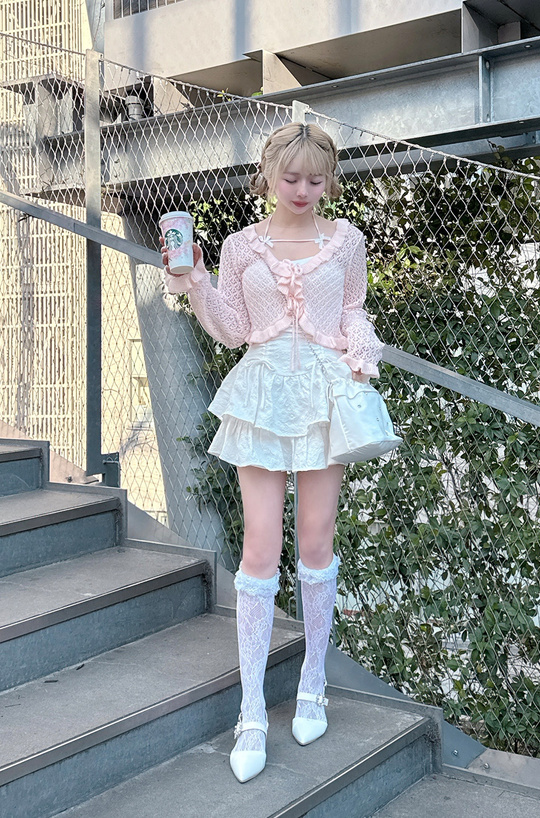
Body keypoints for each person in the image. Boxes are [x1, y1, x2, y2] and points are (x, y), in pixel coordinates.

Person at [160, 121, 384, 783]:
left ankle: (313, 681)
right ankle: (252, 709)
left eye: (315, 179)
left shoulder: (347, 240)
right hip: (260, 394)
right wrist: (196, 282)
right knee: (260, 547)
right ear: (267, 176)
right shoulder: (238, 246)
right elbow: (234, 329)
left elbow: (352, 309)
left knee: (316, 539)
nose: (303, 190)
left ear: (329, 180)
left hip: (324, 393)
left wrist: (361, 348)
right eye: (291, 178)